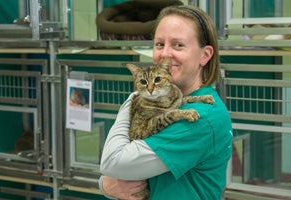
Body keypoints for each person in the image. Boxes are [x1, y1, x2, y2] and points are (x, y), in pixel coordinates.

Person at [99, 4, 233, 200]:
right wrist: (107, 185)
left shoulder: (201, 117)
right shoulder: (164, 100)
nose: (165, 54)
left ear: (205, 55)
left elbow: (113, 162)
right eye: (159, 44)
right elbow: (116, 173)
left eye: (178, 45)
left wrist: (132, 99)